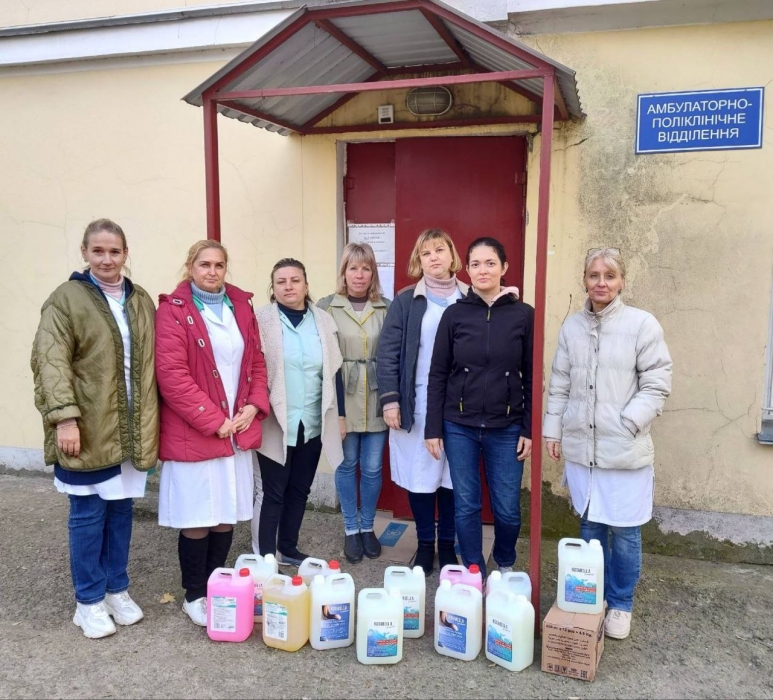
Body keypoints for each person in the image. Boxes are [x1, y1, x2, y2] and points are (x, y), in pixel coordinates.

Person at [31, 218, 158, 639]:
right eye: (98, 251)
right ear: (84, 253)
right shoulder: (66, 299)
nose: (107, 259)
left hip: (128, 428)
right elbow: (50, 362)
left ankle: (115, 589)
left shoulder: (139, 300)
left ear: (125, 254)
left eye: (115, 251)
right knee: (87, 514)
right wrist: (65, 417)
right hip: (86, 427)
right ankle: (87, 600)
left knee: (121, 512)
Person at [543, 247, 672, 640]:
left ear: (622, 281)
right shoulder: (572, 328)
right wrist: (554, 430)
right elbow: (560, 383)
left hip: (624, 449)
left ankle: (620, 603)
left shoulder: (641, 325)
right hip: (584, 450)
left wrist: (628, 422)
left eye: (610, 275)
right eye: (594, 275)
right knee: (591, 525)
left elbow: (657, 382)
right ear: (584, 279)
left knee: (626, 532)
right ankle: (591, 595)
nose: (601, 282)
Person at [155, 240, 269, 627]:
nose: (212, 271)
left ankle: (216, 583)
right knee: (198, 513)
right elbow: (172, 376)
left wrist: (253, 405)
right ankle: (194, 594)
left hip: (236, 427)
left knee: (226, 513)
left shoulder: (240, 305)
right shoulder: (173, 310)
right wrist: (213, 419)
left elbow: (255, 359)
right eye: (204, 264)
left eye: (219, 264)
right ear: (190, 266)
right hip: (199, 430)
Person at [425, 237, 533, 579]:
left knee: (508, 510)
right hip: (459, 426)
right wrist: (433, 428)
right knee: (467, 504)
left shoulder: (523, 315)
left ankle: (504, 561)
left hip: (507, 427)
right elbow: (438, 373)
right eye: (475, 264)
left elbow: (531, 376)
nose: (482, 270)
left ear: (504, 268)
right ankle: (474, 569)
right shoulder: (454, 314)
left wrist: (529, 428)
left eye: (490, 263)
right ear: (466, 269)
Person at [377, 228, 468, 574]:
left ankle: (447, 545)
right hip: (415, 401)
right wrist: (390, 400)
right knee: (420, 476)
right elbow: (388, 353)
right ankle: (425, 544)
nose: (433, 257)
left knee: (450, 477)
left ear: (452, 256)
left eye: (440, 250)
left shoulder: (471, 297)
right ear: (419, 260)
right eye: (426, 252)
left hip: (458, 404)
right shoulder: (405, 300)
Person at [252, 258, 344, 567]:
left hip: (312, 421)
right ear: (273, 287)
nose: (288, 286)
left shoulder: (322, 320)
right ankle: (265, 557)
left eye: (295, 280)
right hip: (276, 421)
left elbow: (333, 371)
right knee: (272, 492)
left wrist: (340, 415)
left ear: (306, 284)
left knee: (299, 490)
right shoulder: (260, 320)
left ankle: (288, 548)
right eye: (281, 281)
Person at [318, 243, 389, 564]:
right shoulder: (327, 308)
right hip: (342, 398)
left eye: (366, 268)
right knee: (346, 465)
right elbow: (325, 362)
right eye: (353, 268)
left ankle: (366, 527)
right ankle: (350, 529)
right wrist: (338, 414)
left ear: (373, 273)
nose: (359, 275)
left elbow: (393, 358)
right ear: (343, 272)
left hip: (376, 397)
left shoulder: (387, 308)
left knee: (372, 468)